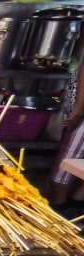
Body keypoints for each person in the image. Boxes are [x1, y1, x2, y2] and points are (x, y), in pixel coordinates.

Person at [48, 60, 84, 209]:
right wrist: (80, 105)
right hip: (81, 98)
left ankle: (77, 202)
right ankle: (59, 206)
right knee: (70, 156)